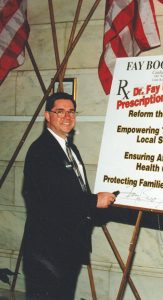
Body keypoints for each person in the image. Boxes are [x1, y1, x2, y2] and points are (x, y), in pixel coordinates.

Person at [22, 92, 116, 300]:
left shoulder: (70, 149)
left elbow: (73, 191)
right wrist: (94, 201)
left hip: (68, 248)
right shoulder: (41, 151)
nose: (67, 117)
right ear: (48, 116)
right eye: (60, 111)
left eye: (71, 111)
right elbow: (52, 199)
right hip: (46, 252)